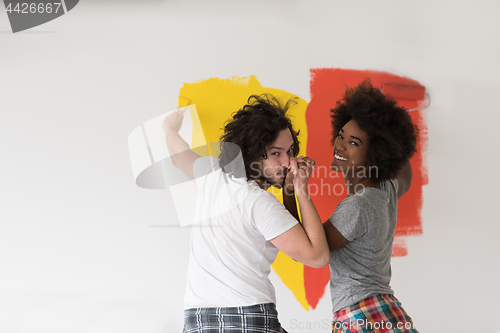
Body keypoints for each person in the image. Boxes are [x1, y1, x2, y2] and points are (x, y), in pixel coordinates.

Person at [163, 94, 330, 333]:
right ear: (251, 153)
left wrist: (170, 128)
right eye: (276, 153)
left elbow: (178, 155)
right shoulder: (259, 202)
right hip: (248, 316)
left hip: (197, 320)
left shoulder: (212, 176)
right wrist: (302, 190)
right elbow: (317, 256)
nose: (288, 162)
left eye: (290, 151)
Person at [323, 80, 419, 333]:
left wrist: (292, 189)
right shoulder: (385, 190)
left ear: (375, 153)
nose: (340, 145)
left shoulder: (357, 206)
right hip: (385, 312)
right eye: (341, 135)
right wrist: (392, 124)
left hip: (362, 315)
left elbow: (310, 248)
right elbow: (405, 174)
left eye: (354, 143)